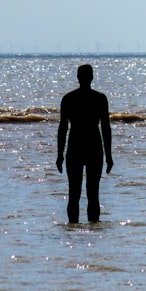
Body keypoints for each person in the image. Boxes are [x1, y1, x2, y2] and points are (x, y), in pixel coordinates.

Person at [56, 64, 114, 223]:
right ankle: (93, 228)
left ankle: (73, 227)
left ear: (78, 77)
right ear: (92, 77)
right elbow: (105, 128)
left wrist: (59, 155)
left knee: (74, 193)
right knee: (93, 194)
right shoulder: (99, 99)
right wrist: (109, 155)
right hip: (94, 147)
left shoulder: (68, 99)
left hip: (75, 146)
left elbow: (63, 129)